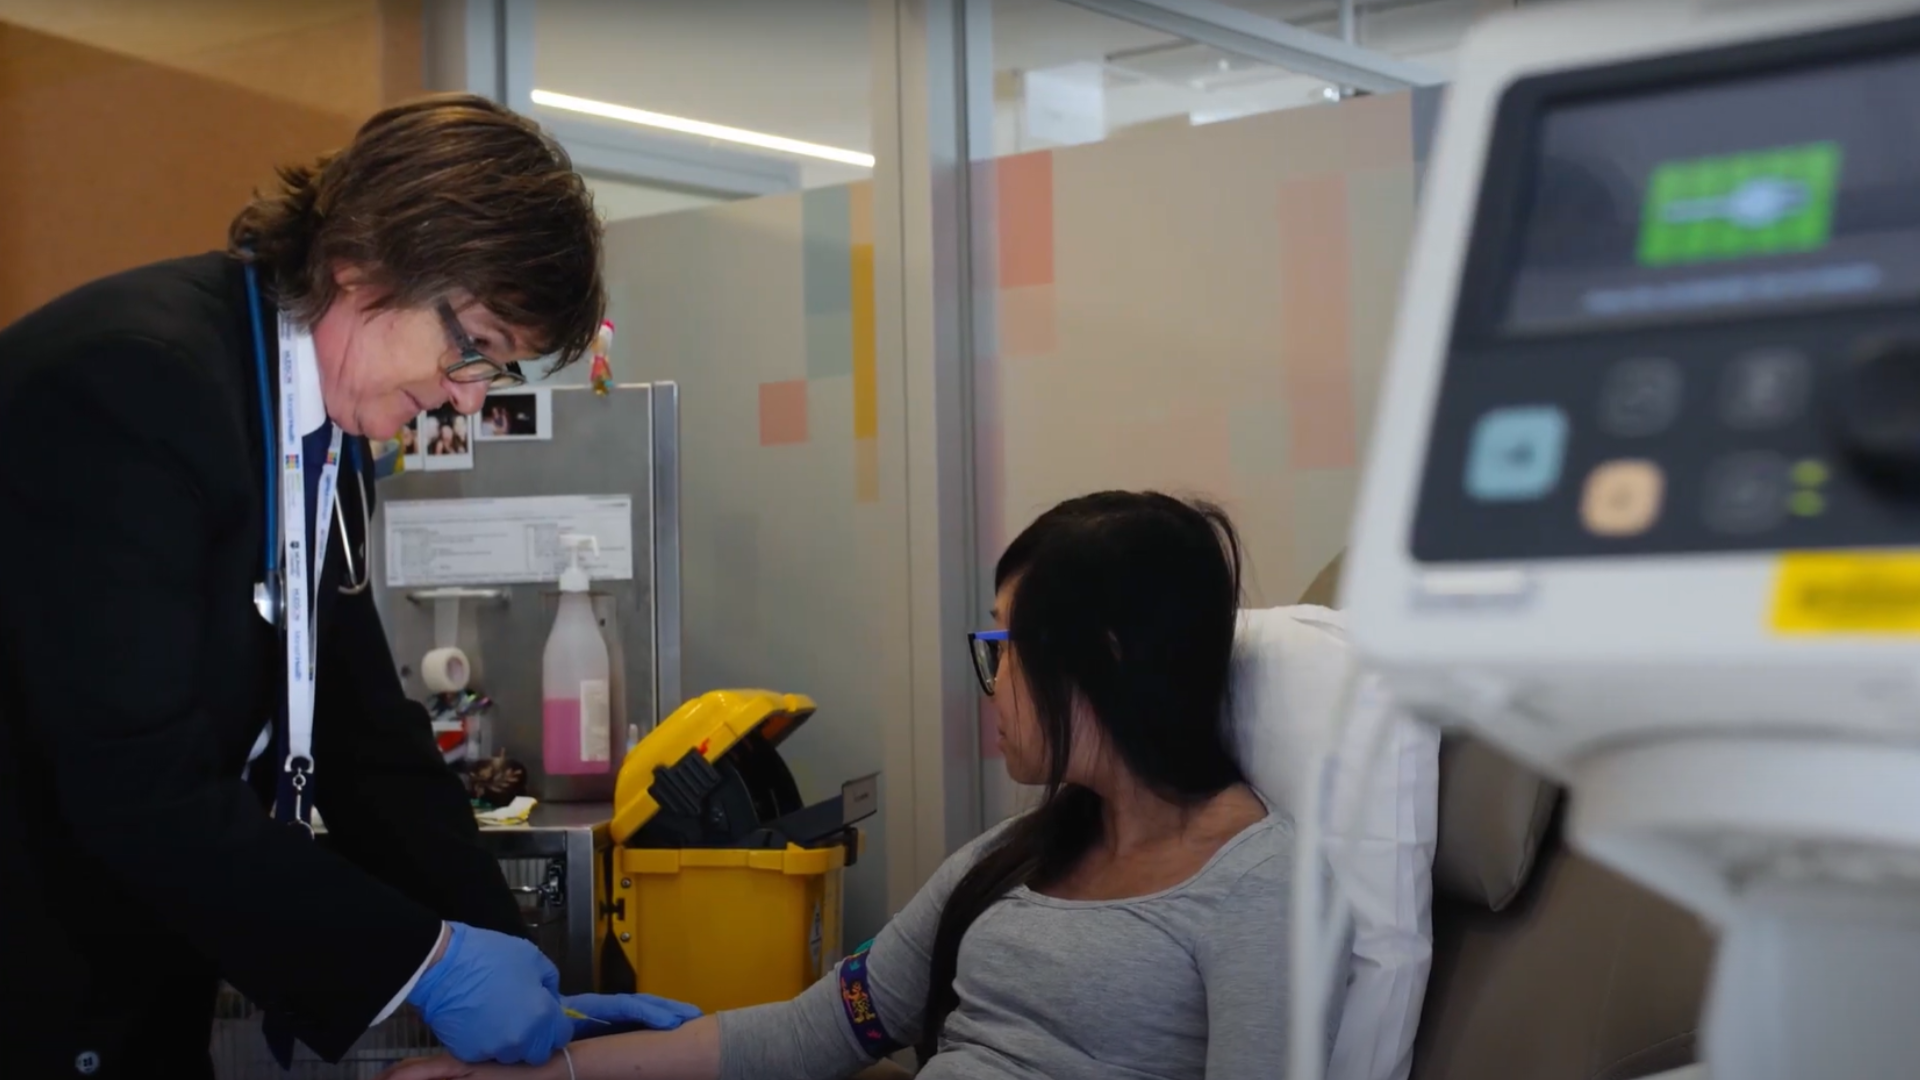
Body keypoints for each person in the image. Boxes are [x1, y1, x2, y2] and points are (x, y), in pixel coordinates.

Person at [0, 93, 694, 1078]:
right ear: (367, 259)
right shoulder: (134, 386)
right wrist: (426, 964)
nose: (465, 397)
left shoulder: (323, 434)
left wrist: (532, 972)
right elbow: (135, 782)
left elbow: (368, 738)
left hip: (136, 973)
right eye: (474, 349)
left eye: (496, 371)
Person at [380, 491, 1294, 1080]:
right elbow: (817, 1031)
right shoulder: (1015, 858)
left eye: (1006, 646)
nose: (992, 680)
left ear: (1105, 658)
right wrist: (536, 1076)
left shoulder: (1253, 889)